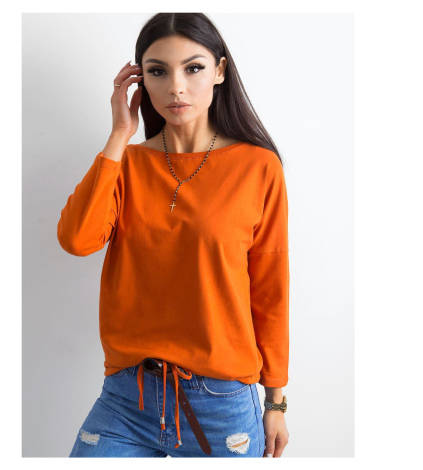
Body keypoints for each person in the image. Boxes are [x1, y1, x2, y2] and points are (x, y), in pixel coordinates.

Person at [58, 13, 290, 458]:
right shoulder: (126, 164)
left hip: (222, 401)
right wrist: (119, 135)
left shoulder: (258, 167)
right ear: (140, 80)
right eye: (158, 71)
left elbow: (270, 288)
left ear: (220, 71)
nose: (176, 87)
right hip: (127, 396)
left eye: (193, 68)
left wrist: (276, 401)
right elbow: (76, 240)